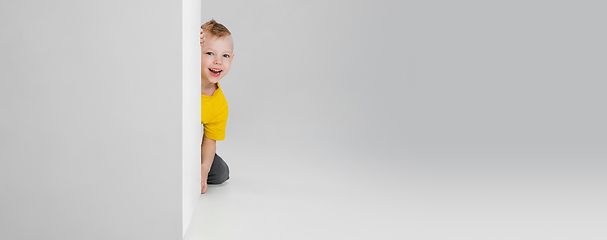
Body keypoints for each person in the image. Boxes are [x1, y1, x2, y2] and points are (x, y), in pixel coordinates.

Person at [199, 19, 234, 194]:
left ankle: (193, 171)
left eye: (225, 56)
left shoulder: (219, 104)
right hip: (166, 136)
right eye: (210, 53)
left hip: (189, 145)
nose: (218, 61)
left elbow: (209, 141)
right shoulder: (179, 75)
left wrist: (204, 170)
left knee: (220, 171)